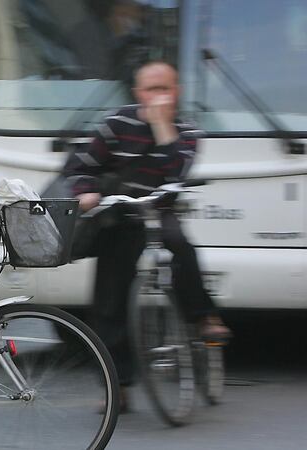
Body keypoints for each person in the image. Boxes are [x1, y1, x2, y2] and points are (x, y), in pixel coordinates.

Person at [62, 61, 232, 411]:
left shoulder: (186, 131)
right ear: (138, 93)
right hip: (121, 215)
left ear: (177, 91)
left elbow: (176, 172)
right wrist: (86, 192)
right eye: (151, 90)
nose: (159, 96)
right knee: (109, 299)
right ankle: (117, 386)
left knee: (182, 247)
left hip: (158, 210)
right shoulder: (117, 123)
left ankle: (203, 317)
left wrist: (161, 126)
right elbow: (80, 166)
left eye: (165, 89)